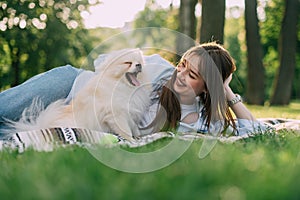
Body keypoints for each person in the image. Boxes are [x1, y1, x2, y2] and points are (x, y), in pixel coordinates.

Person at [0, 42, 266, 139]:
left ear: (207, 90)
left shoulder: (198, 119)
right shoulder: (159, 69)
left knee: (6, 130)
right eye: (182, 64)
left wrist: (228, 94)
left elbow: (256, 129)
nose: (180, 74)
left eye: (192, 74)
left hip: (75, 118)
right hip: (71, 84)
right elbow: (101, 62)